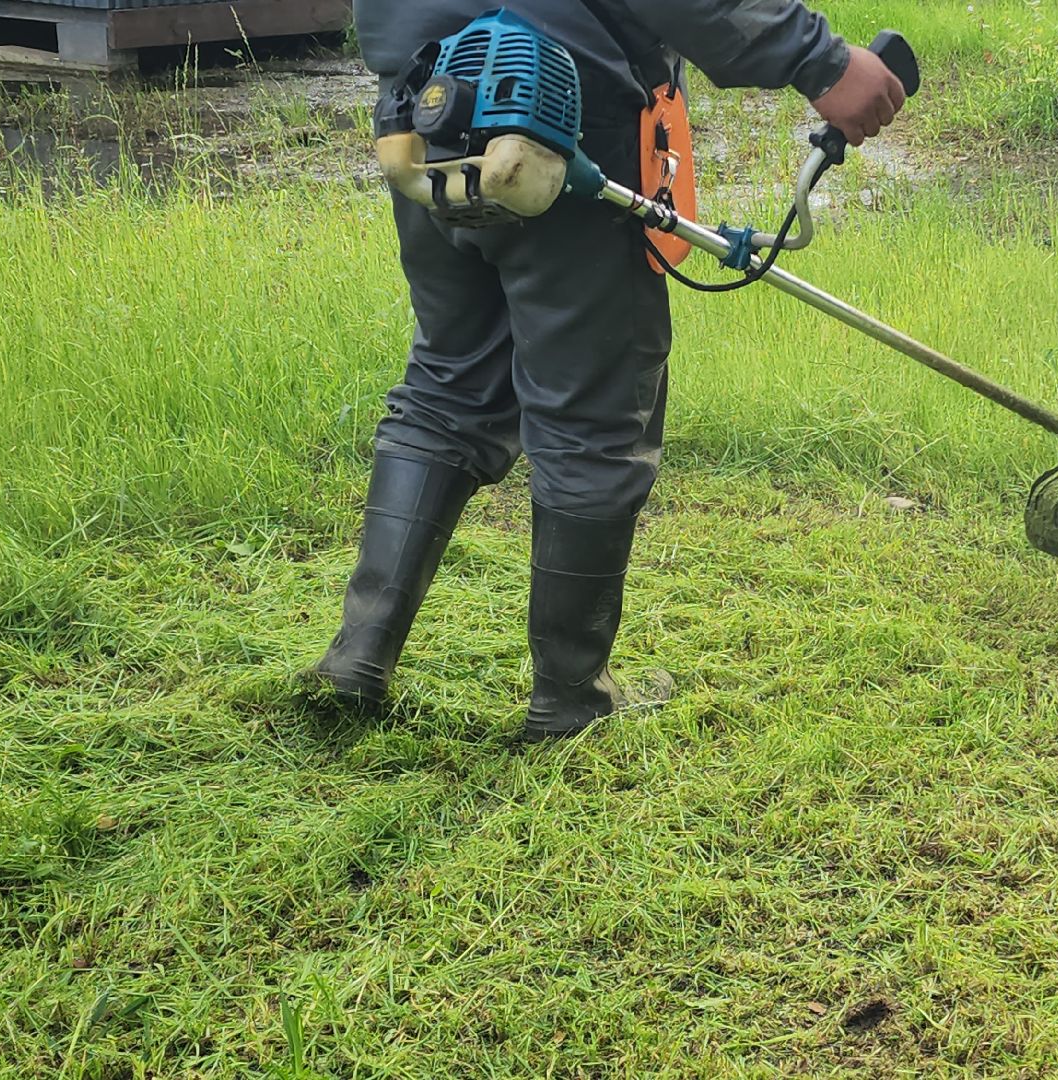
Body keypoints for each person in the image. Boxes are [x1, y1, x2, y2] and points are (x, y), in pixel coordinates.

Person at [307, 0, 906, 738]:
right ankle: (570, 699)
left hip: (424, 102)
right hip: (558, 102)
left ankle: (357, 656)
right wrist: (821, 60)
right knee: (592, 413)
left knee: (451, 384)